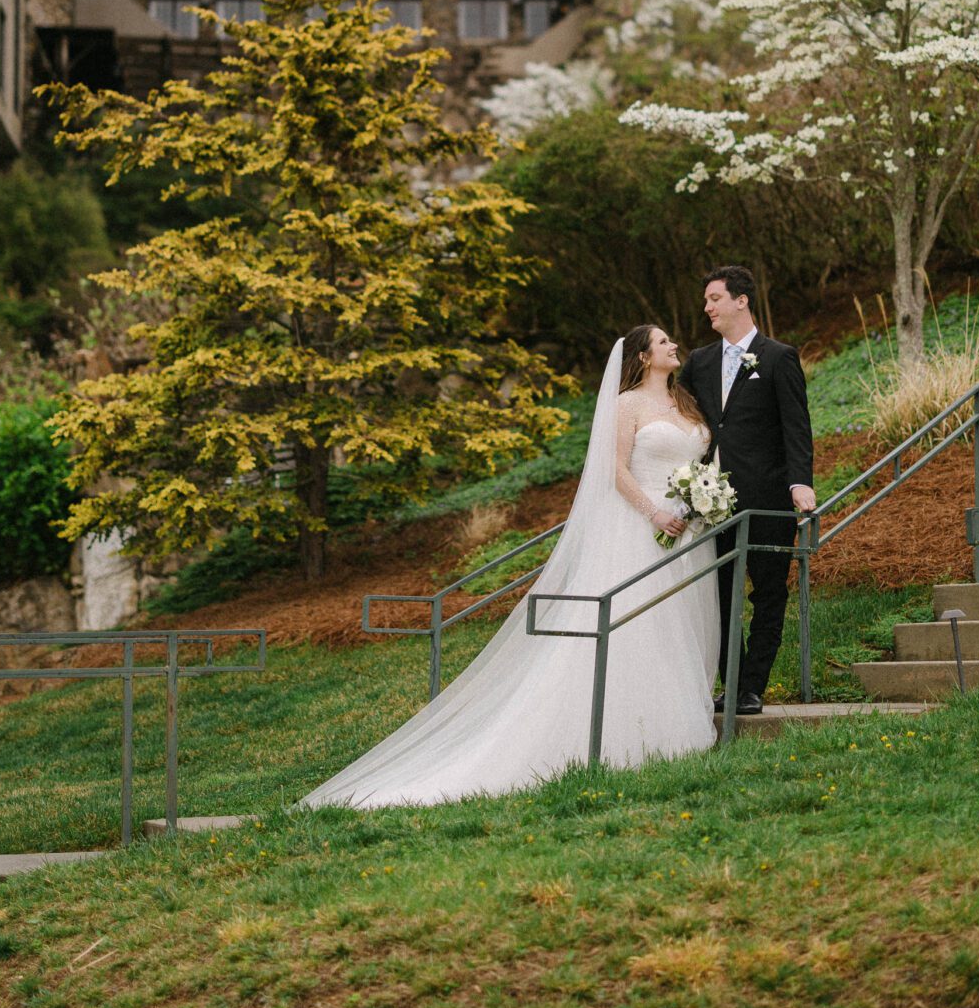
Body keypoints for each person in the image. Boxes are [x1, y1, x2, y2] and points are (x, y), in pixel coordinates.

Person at [299, 325, 719, 809]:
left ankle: (674, 716)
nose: (673, 346)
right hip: (642, 528)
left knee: (677, 625)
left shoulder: (686, 402)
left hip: (691, 531)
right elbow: (616, 469)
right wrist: (655, 512)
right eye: (663, 341)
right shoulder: (627, 405)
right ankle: (638, 732)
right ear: (644, 357)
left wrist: (699, 501)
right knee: (639, 624)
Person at [680, 264, 816, 715]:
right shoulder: (698, 362)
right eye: (706, 301)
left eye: (714, 298)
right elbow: (681, 419)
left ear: (741, 300)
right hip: (710, 503)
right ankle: (731, 681)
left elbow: (796, 428)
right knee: (717, 595)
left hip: (769, 498)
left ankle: (752, 687)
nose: (707, 308)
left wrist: (800, 484)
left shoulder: (778, 357)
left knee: (769, 592)